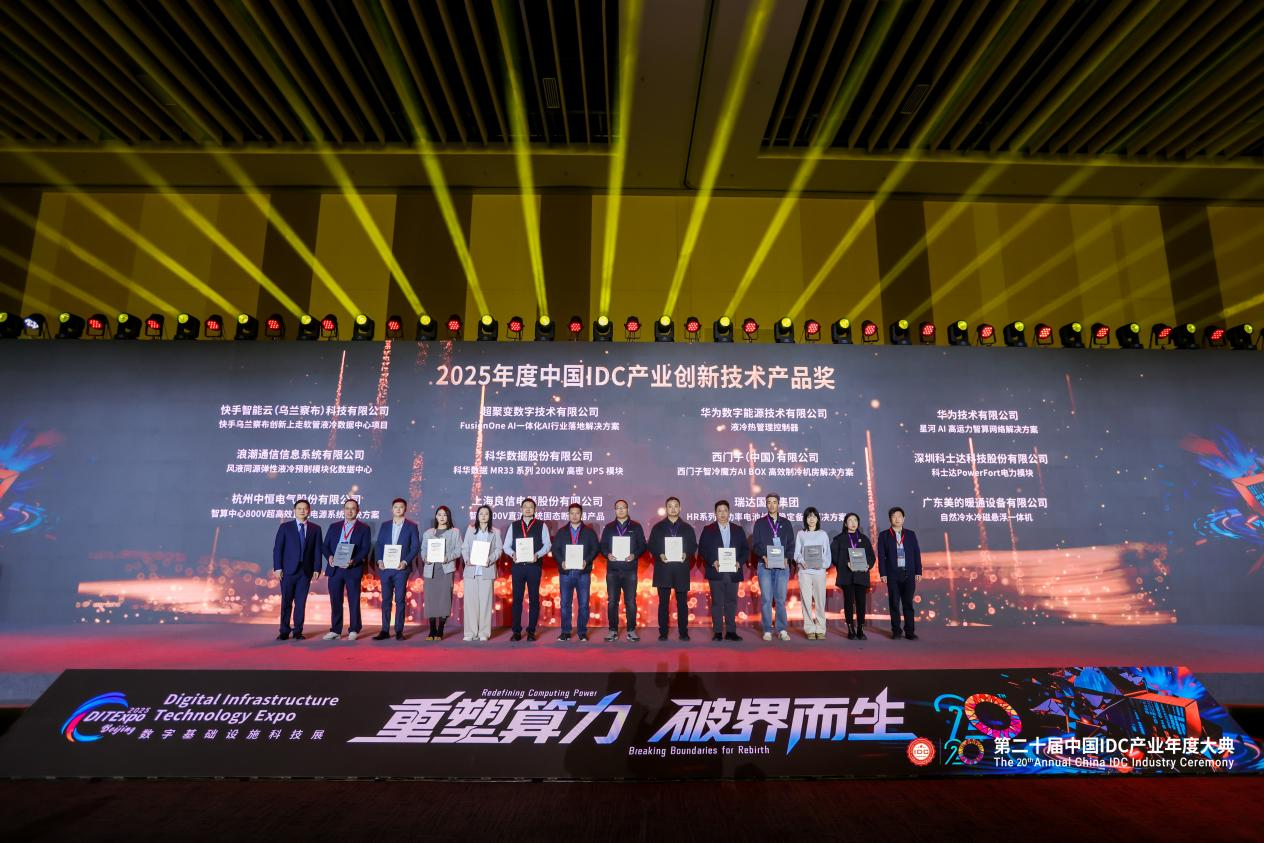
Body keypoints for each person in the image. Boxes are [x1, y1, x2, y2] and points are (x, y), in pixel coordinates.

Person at [321, 498, 372, 640]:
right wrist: (329, 557)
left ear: (358, 511)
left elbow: (365, 549)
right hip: (335, 569)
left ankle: (354, 629)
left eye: (353, 508)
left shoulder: (364, 528)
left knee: (354, 600)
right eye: (347, 508)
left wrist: (354, 561)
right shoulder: (334, 526)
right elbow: (325, 546)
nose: (350, 511)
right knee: (335, 600)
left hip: (352, 569)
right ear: (343, 510)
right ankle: (335, 630)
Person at [647, 496, 697, 641]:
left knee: (682, 603)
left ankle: (683, 632)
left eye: (676, 506)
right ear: (666, 508)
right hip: (663, 569)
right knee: (663, 603)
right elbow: (651, 545)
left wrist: (686, 553)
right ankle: (663, 632)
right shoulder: (658, 527)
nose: (673, 509)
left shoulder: (687, 528)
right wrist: (659, 554)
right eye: (670, 506)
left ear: (680, 508)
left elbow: (693, 545)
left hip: (681, 569)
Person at [698, 500, 749, 641]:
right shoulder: (708, 529)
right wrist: (712, 561)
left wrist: (739, 562)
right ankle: (718, 632)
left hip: (733, 571)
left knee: (731, 602)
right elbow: (702, 549)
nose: (722, 513)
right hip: (716, 571)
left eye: (725, 510)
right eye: (719, 511)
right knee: (717, 603)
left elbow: (745, 550)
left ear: (729, 512)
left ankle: (731, 632)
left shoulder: (738, 530)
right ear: (715, 513)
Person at [271, 499, 322, 640]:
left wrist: (317, 568)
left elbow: (317, 550)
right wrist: (277, 568)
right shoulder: (285, 527)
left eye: (305, 508)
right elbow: (278, 549)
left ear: (309, 511)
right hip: (287, 571)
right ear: (294, 510)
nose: (302, 511)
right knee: (286, 602)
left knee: (301, 603)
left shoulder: (315, 529)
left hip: (305, 572)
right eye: (299, 508)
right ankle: (284, 631)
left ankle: (298, 631)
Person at [550, 502, 600, 641]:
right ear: (568, 515)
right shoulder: (562, 532)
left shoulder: (589, 532)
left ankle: (582, 632)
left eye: (577, 513)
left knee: (583, 604)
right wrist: (561, 562)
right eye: (572, 513)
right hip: (566, 572)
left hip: (583, 573)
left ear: (581, 514)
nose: (574, 516)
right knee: (565, 604)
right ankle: (565, 631)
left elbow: (595, 549)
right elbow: (555, 550)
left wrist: (586, 561)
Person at [600, 499, 647, 642]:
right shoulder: (609, 527)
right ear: (615, 510)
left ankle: (631, 630)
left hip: (630, 570)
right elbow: (603, 545)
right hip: (613, 570)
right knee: (612, 601)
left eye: (623, 507)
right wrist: (607, 554)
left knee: (630, 601)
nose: (620, 510)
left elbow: (642, 545)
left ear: (627, 509)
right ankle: (612, 630)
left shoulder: (636, 527)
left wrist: (634, 555)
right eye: (618, 508)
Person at [372, 498, 420, 641]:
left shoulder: (412, 526)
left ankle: (399, 630)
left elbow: (415, 547)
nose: (398, 509)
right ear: (392, 509)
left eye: (401, 507)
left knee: (400, 599)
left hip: (401, 569)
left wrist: (405, 562)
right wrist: (379, 560)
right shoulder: (385, 525)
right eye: (396, 507)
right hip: (386, 568)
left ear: (405, 509)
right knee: (386, 600)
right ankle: (384, 630)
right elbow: (379, 544)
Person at [751, 493, 796, 641]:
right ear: (766, 504)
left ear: (778, 504)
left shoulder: (786, 523)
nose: (771, 505)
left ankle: (782, 629)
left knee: (781, 599)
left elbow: (791, 544)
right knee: (766, 599)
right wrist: (764, 556)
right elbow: (755, 544)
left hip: (782, 566)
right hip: (764, 565)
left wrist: (787, 557)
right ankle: (767, 630)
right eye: (769, 502)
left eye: (774, 502)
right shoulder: (760, 523)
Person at [504, 497, 550, 641]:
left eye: (531, 506)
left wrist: (538, 555)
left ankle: (531, 631)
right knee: (517, 599)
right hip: (518, 567)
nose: (528, 509)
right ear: (521, 509)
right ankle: (516, 631)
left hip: (534, 566)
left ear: (535, 509)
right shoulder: (514, 525)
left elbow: (547, 545)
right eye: (525, 506)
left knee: (534, 599)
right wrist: (513, 554)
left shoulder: (541, 525)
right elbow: (506, 546)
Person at [876, 506, 922, 640]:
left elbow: (916, 553)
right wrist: (883, 573)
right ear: (890, 519)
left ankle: (910, 631)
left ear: (904, 518)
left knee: (908, 603)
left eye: (899, 516)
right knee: (894, 604)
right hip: (892, 575)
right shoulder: (884, 535)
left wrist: (918, 571)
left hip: (909, 573)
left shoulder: (910, 534)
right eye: (894, 516)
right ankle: (896, 631)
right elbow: (881, 556)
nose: (897, 519)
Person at [831, 512, 876, 640]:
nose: (853, 523)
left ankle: (860, 629)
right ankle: (850, 630)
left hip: (861, 575)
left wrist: (867, 565)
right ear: (845, 524)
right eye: (850, 520)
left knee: (861, 602)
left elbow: (871, 556)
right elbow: (834, 557)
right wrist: (846, 563)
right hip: (847, 576)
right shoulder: (839, 539)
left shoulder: (864, 539)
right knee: (849, 602)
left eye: (855, 520)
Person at [462, 504, 502, 641]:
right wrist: (467, 559)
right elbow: (465, 548)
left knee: (485, 603)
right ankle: (470, 633)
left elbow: (499, 550)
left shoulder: (495, 532)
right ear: (477, 516)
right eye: (481, 514)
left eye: (486, 514)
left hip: (487, 571)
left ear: (490, 516)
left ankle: (484, 633)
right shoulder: (470, 530)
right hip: (471, 571)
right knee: (470, 604)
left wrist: (490, 559)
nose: (483, 516)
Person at [421, 505, 462, 640]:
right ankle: (432, 629)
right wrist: (425, 558)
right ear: (436, 516)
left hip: (445, 570)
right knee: (431, 599)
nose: (442, 517)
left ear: (448, 517)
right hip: (430, 570)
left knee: (444, 599)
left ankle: (440, 629)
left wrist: (448, 557)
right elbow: (423, 550)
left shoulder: (454, 532)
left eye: (445, 515)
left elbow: (459, 550)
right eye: (439, 514)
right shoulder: (428, 533)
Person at [793, 506, 832, 640]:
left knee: (820, 601)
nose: (811, 519)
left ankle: (820, 629)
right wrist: (801, 561)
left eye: (814, 516)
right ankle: (809, 628)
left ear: (818, 519)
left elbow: (827, 554)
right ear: (805, 519)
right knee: (806, 600)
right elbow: (797, 553)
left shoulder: (823, 534)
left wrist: (823, 564)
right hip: (805, 572)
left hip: (819, 572)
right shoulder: (801, 534)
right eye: (809, 516)